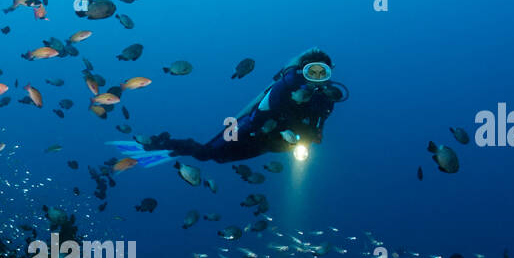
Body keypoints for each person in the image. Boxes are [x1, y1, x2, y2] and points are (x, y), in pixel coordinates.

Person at [112, 47, 347, 166]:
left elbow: (317, 127)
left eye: (322, 73)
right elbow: (262, 113)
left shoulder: (326, 100)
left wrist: (309, 137)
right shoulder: (287, 85)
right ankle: (163, 142)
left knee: (218, 159)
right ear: (302, 70)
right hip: (248, 130)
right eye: (311, 71)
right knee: (208, 154)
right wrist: (291, 107)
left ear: (328, 75)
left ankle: (175, 147)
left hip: (273, 145)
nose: (316, 77)